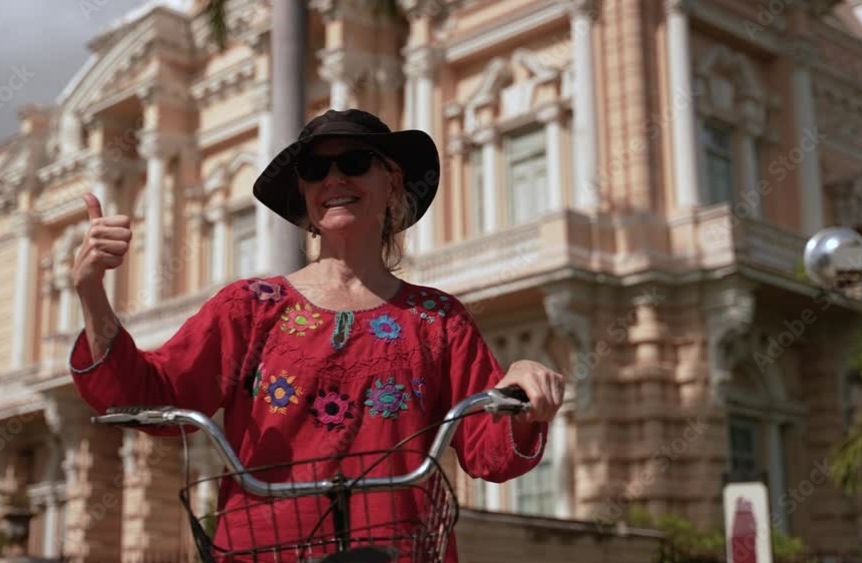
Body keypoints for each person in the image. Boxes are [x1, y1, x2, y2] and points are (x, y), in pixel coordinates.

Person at [68, 108, 566, 562]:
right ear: (304, 194)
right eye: (314, 169)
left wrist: (521, 392)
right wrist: (91, 289)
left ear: (392, 181)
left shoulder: (438, 319)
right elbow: (149, 390)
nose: (334, 179)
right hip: (262, 552)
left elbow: (492, 451)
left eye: (354, 162)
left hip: (397, 551)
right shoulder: (250, 307)